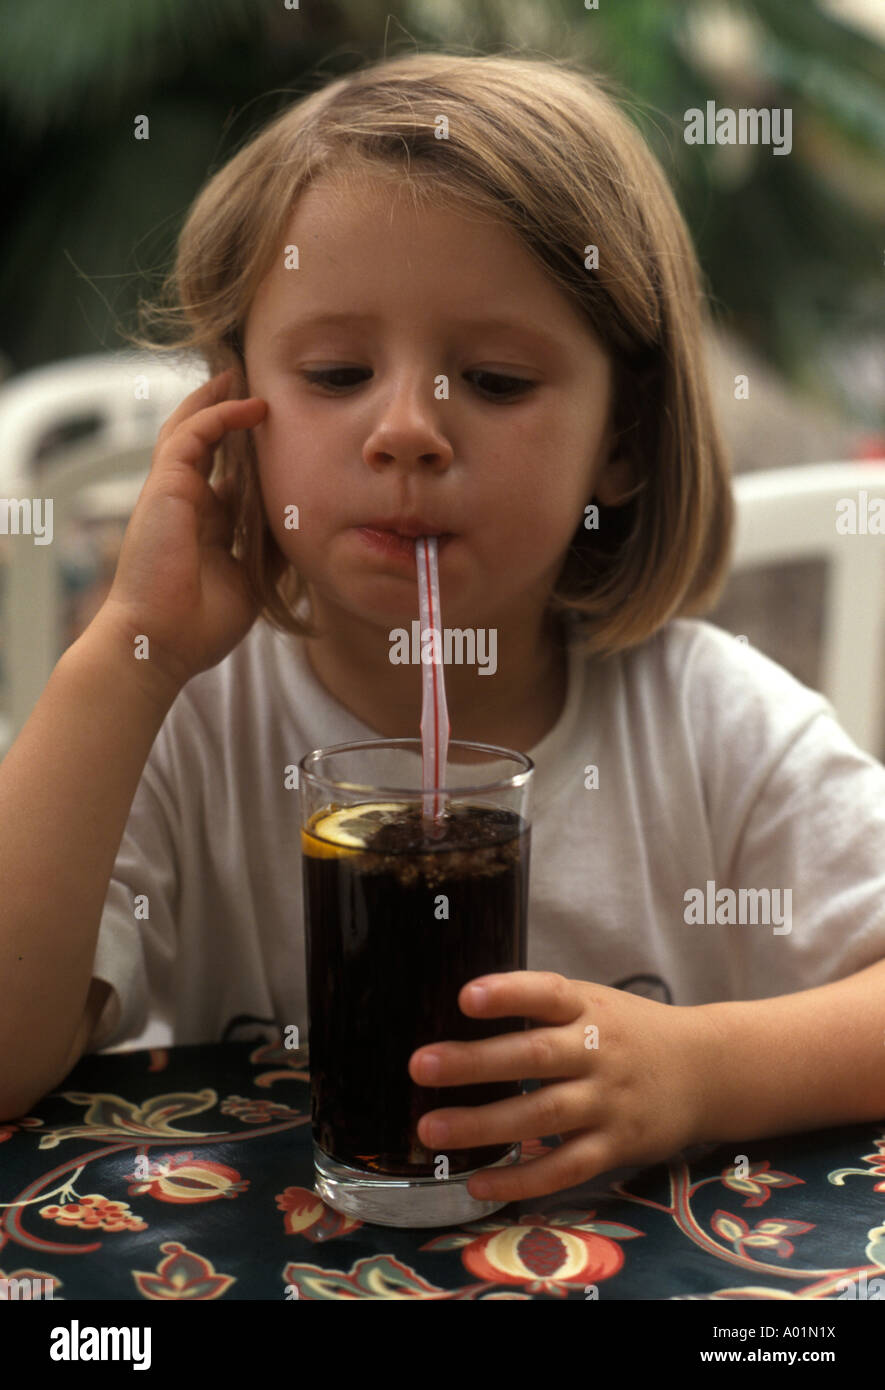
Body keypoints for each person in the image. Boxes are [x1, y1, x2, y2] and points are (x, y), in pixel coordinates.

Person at [2, 52, 884, 1207]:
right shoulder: (185, 721)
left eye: (498, 379)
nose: (408, 430)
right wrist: (135, 649)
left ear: (621, 440)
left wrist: (703, 1071)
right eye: (335, 371)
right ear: (235, 416)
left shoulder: (712, 725)